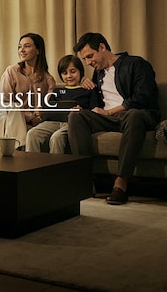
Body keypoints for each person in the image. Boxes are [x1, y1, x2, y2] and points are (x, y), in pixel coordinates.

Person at [68, 32, 160, 205]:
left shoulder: (136, 63)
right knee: (76, 116)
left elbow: (142, 97)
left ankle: (121, 183)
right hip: (110, 119)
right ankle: (86, 181)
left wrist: (110, 113)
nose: (88, 62)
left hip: (136, 115)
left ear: (102, 47)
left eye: (90, 56)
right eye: (85, 59)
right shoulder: (98, 74)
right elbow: (96, 104)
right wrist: (87, 87)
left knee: (134, 115)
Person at [0, 33, 56, 148]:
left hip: (9, 118)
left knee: (4, 121)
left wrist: (40, 115)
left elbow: (48, 106)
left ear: (38, 50)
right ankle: (20, 147)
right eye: (20, 47)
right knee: (14, 107)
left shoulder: (48, 79)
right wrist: (30, 117)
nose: (22, 50)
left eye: (27, 46)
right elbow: (5, 102)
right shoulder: (11, 71)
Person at [25, 54, 100, 154]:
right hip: (53, 121)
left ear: (80, 72)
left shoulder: (88, 90)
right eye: (65, 73)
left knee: (57, 138)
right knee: (32, 133)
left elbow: (95, 111)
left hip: (72, 123)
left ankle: (56, 168)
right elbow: (47, 109)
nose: (69, 76)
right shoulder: (57, 91)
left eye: (73, 71)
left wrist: (82, 111)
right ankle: (31, 168)